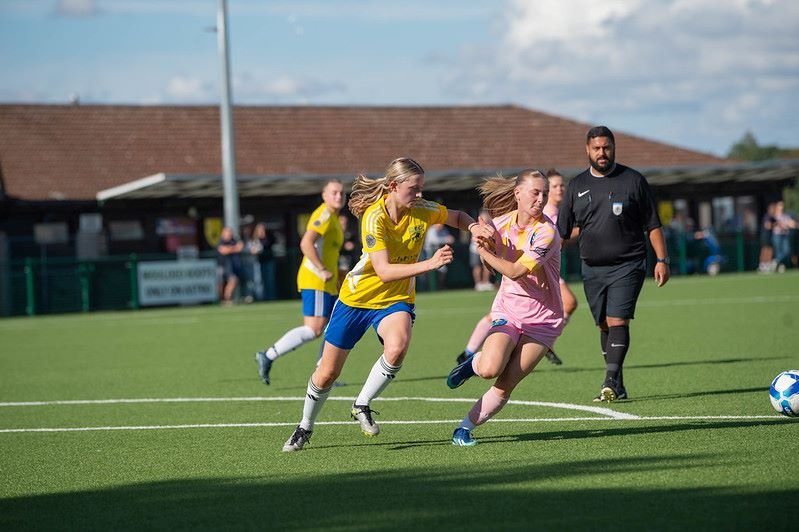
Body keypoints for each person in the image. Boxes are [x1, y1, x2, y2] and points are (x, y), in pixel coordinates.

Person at [281, 157, 482, 452]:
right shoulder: (374, 217)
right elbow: (385, 271)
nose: (419, 195)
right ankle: (304, 427)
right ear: (393, 186)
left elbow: (459, 216)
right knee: (327, 373)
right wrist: (430, 264)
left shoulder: (422, 210)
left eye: (421, 188)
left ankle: (362, 403)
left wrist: (475, 227)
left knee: (398, 346)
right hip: (356, 299)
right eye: (413, 189)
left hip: (395, 299)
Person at [445, 169, 564, 446]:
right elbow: (493, 267)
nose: (540, 199)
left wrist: (484, 250)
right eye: (535, 192)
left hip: (543, 322)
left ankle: (464, 429)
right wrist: (485, 245)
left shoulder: (546, 232)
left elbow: (514, 271)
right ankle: (471, 365)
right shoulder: (500, 224)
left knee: (506, 382)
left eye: (544, 194)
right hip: (508, 312)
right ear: (517, 194)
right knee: (489, 368)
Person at [557, 126, 670, 402]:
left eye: (606, 147)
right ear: (587, 150)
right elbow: (561, 233)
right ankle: (618, 384)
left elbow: (652, 224)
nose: (602, 153)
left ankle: (609, 382)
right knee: (604, 326)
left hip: (628, 264)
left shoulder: (633, 181)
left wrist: (662, 259)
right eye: (596, 148)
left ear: (614, 147)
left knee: (617, 319)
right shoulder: (577, 186)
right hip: (591, 267)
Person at [453, 169, 575, 367]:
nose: (557, 191)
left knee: (503, 373)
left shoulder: (549, 218)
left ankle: (545, 343)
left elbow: (555, 241)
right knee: (493, 364)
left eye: (560, 186)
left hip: (542, 270)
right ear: (519, 193)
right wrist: (486, 248)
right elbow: (507, 268)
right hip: (526, 277)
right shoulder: (545, 213)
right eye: (553, 187)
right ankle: (469, 354)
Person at [255, 179, 345, 385]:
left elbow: (327, 252)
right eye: (334, 192)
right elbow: (306, 243)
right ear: (324, 195)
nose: (339, 196)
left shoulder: (333, 218)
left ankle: (324, 373)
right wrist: (322, 269)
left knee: (333, 326)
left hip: (328, 282)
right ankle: (268, 355)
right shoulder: (323, 215)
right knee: (314, 329)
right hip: (316, 280)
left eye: (341, 193)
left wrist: (339, 272)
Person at [246, 222, 276, 301]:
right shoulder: (254, 239)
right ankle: (260, 298)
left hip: (268, 261)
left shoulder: (269, 238)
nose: (262, 231)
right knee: (258, 281)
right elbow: (251, 249)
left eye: (263, 229)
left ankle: (270, 297)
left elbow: (268, 245)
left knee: (269, 280)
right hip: (258, 262)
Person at [217, 226, 244, 305]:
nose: (229, 234)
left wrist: (232, 248)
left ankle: (228, 299)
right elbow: (224, 250)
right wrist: (235, 248)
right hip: (223, 266)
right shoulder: (221, 241)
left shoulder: (233, 241)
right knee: (223, 284)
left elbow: (241, 247)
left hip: (233, 266)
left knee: (233, 281)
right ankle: (225, 299)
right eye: (227, 233)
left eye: (230, 233)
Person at [424, 223, 455, 289]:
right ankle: (429, 288)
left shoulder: (444, 229)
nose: (440, 225)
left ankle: (440, 286)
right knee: (429, 271)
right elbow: (433, 241)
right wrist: (446, 239)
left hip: (439, 254)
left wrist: (447, 239)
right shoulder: (431, 230)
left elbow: (450, 238)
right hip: (429, 254)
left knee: (443, 270)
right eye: (439, 224)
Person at [470, 209, 495, 291]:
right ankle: (478, 284)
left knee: (486, 266)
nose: (485, 219)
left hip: (486, 249)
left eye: (486, 218)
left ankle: (486, 282)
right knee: (477, 267)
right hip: (475, 249)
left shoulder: (490, 227)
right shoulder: (475, 226)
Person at [771, 201, 797, 273]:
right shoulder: (774, 216)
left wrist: (794, 225)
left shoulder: (786, 215)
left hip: (785, 236)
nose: (782, 207)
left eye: (782, 205)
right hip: (777, 235)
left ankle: (776, 261)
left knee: (787, 251)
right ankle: (780, 266)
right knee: (778, 252)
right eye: (780, 205)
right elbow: (772, 224)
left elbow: (791, 223)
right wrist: (781, 225)